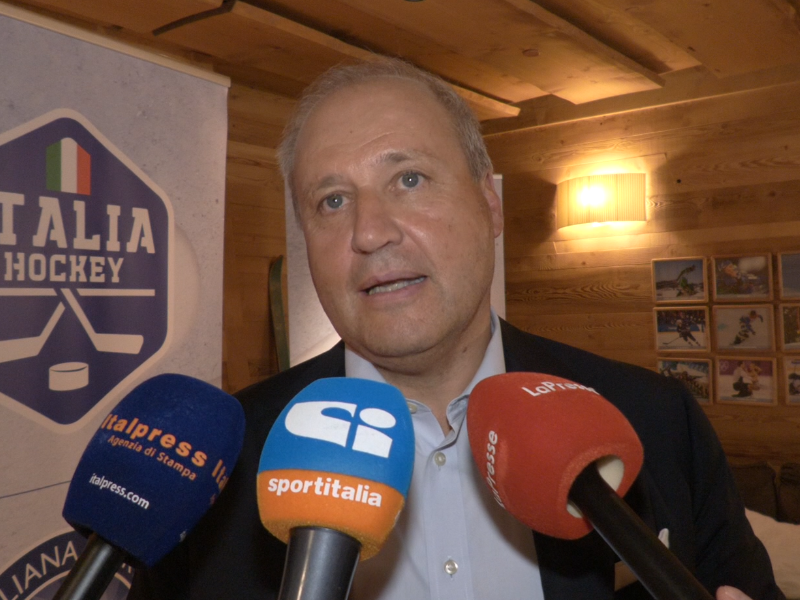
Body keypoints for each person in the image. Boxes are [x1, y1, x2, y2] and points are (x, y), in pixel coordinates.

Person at [128, 59, 782, 600]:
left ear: (489, 205)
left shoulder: (655, 419)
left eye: (408, 179)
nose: (369, 232)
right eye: (332, 201)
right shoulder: (213, 471)